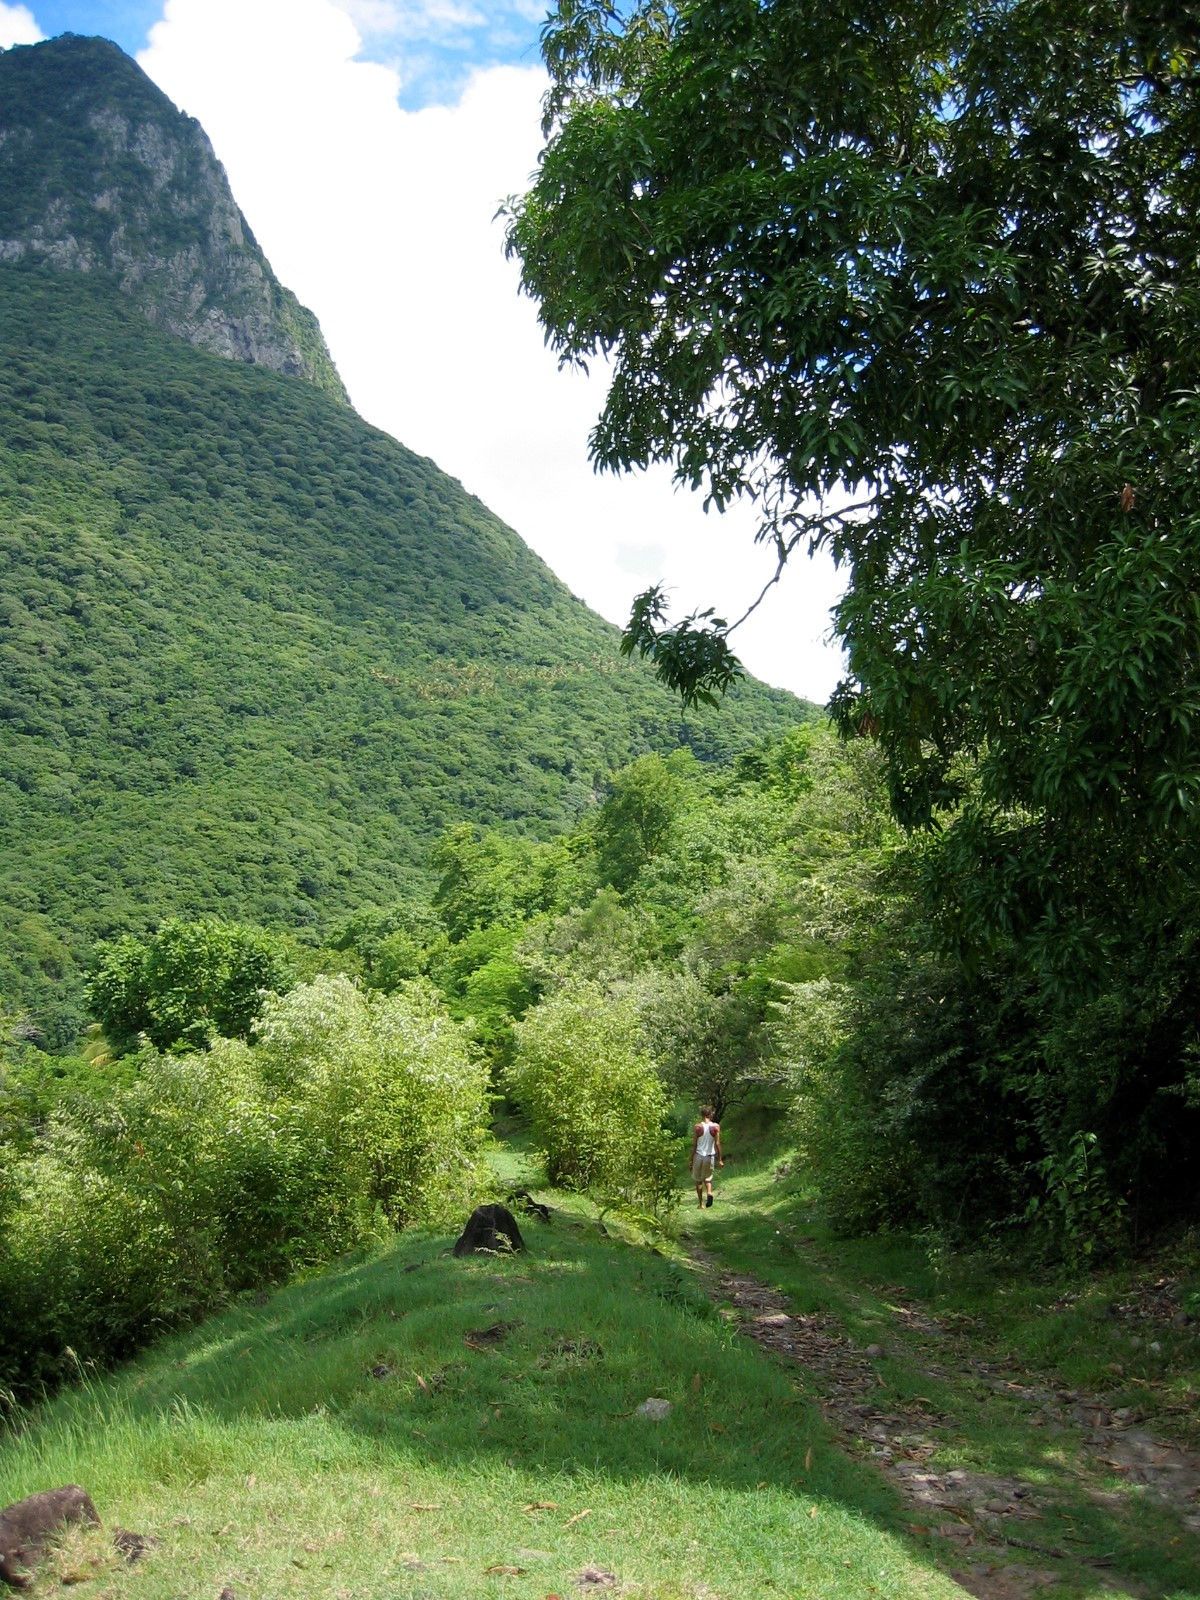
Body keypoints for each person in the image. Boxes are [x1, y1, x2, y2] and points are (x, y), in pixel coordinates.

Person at [690, 1105, 723, 1208]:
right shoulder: (715, 1127)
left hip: (698, 1156)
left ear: (702, 1115)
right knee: (708, 1179)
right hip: (710, 1156)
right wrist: (720, 1159)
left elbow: (694, 1145)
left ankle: (701, 1204)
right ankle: (709, 1192)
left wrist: (691, 1160)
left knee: (698, 1180)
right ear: (710, 1114)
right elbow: (717, 1143)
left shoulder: (697, 1127)